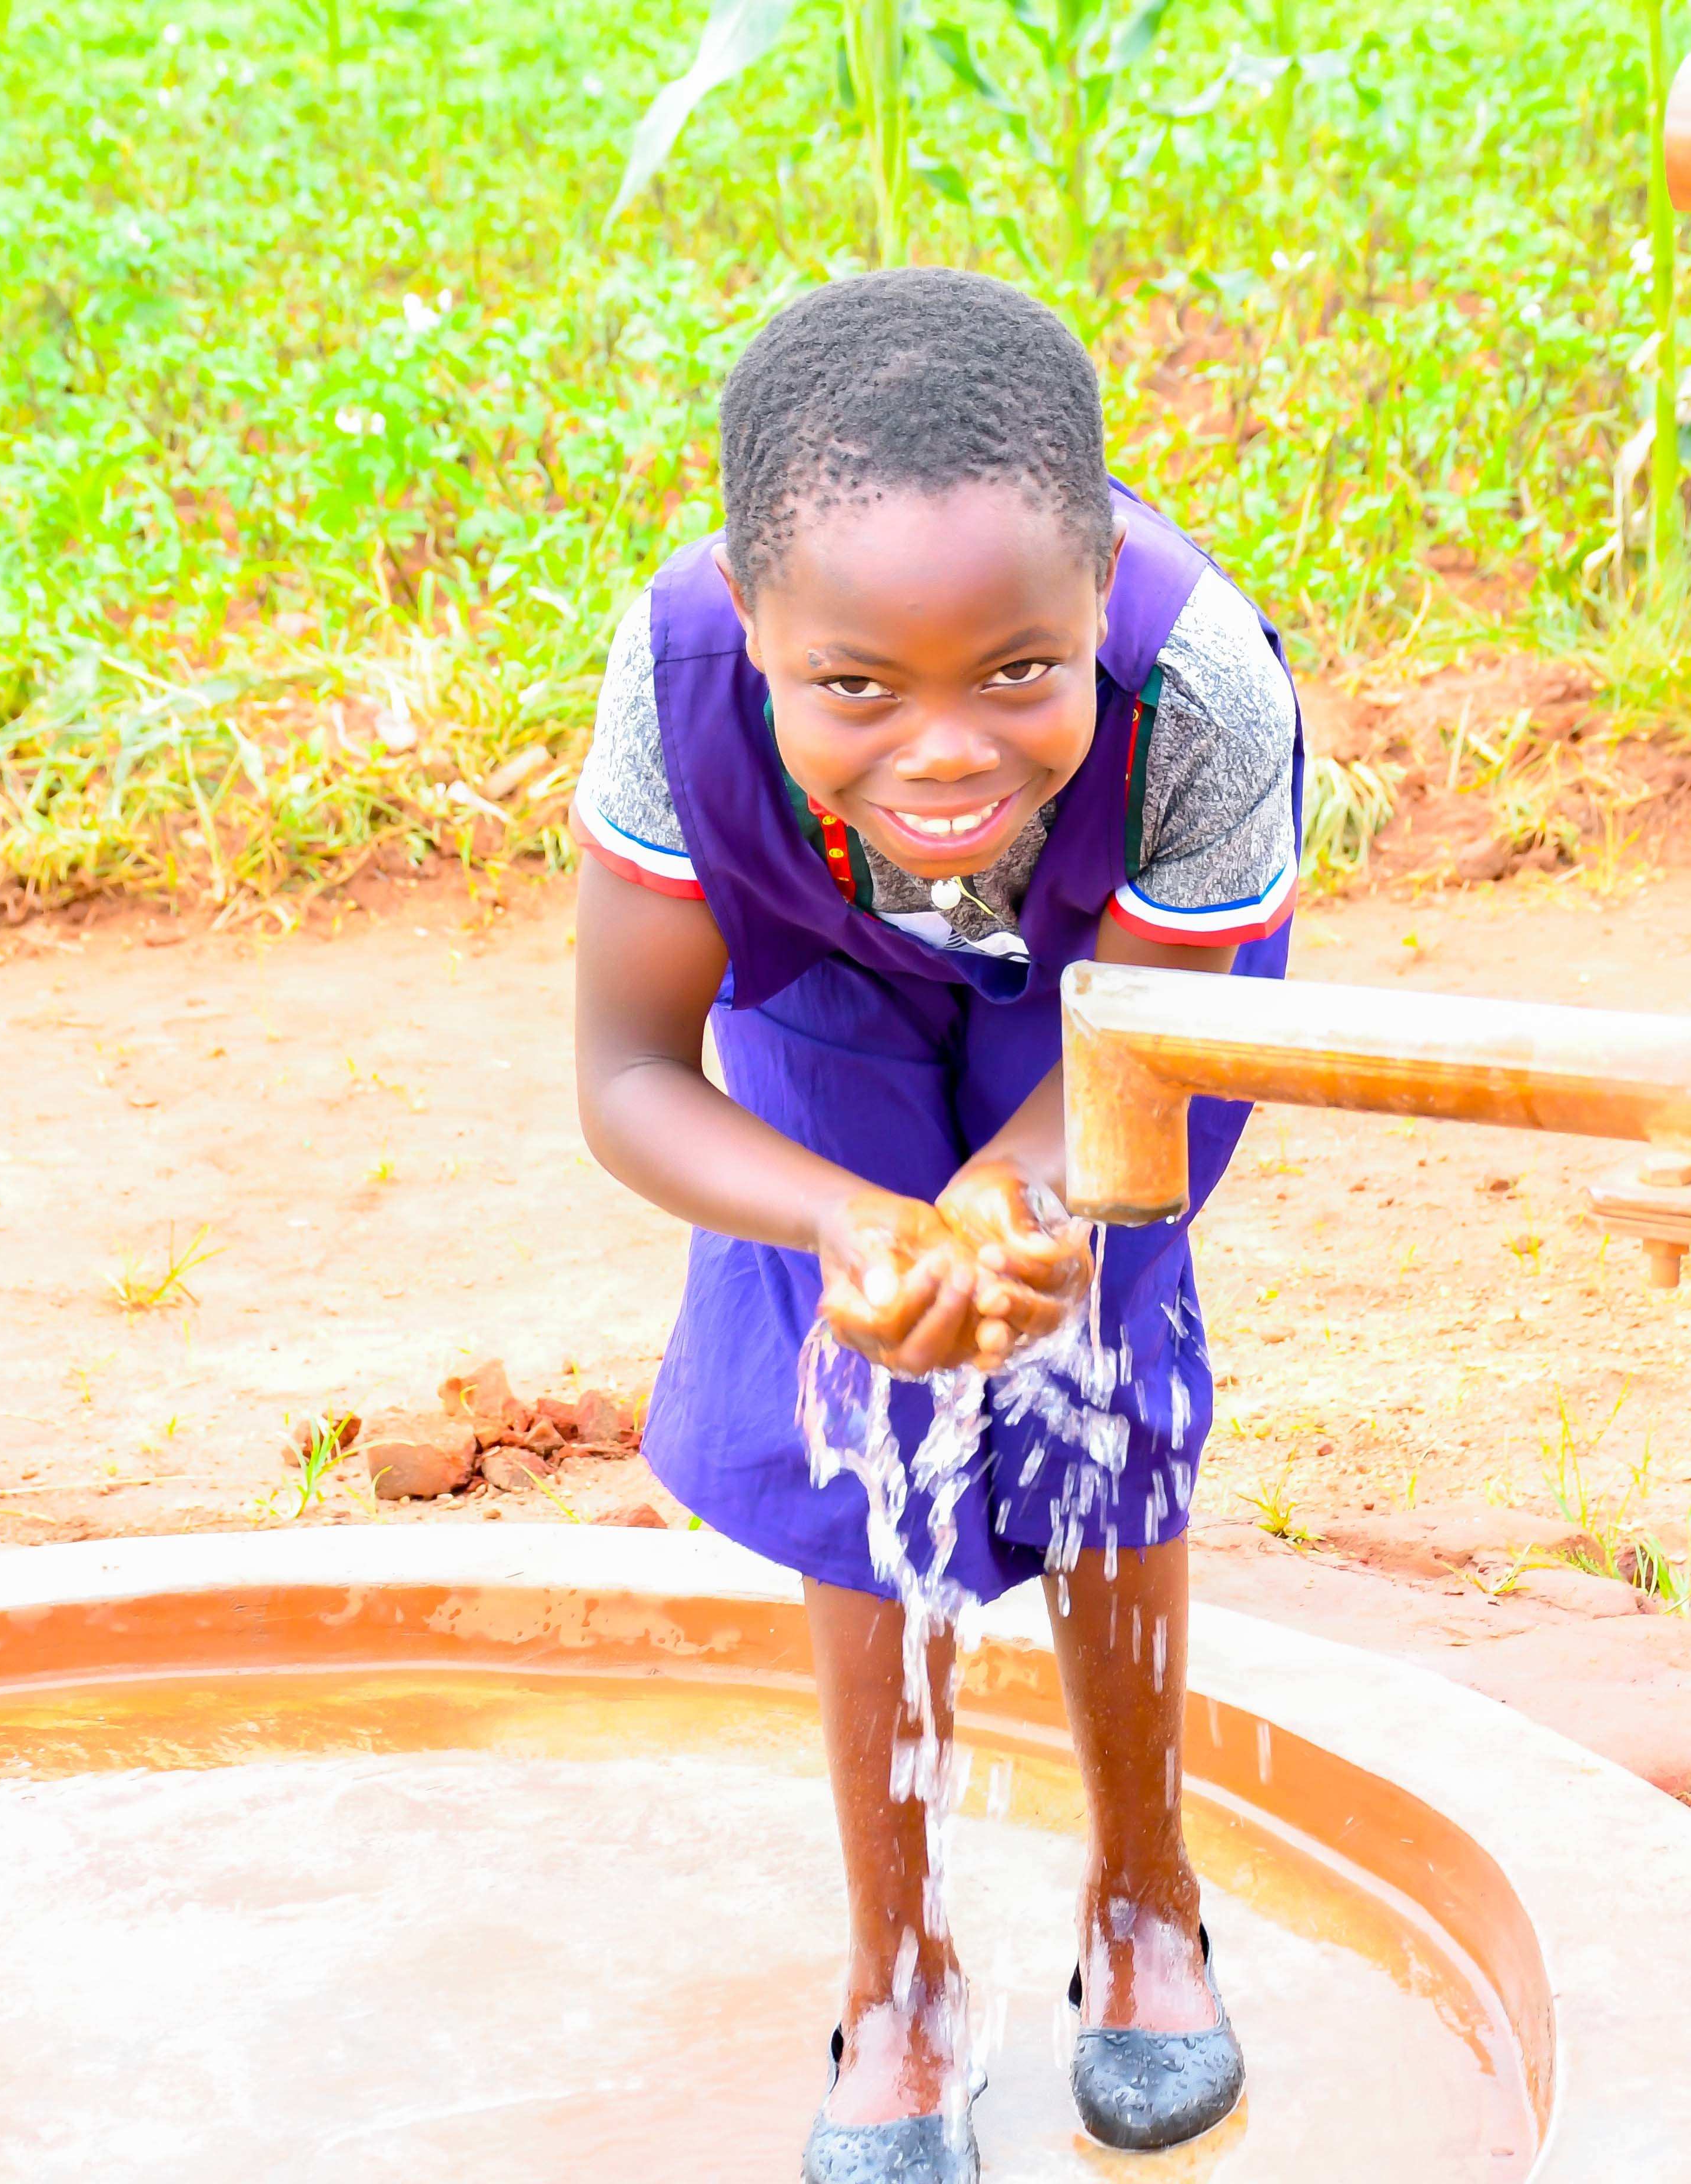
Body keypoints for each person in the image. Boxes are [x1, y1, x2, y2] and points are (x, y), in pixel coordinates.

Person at [568, 267, 1300, 2182]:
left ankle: (1144, 1901)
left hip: (1118, 988)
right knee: (862, 1411)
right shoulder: (677, 690)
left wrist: (1018, 1194)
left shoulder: (1202, 691)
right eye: (858, 688)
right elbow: (632, 1077)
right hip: (820, 990)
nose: (950, 753)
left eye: (1019, 672)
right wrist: (848, 1225)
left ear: (1095, 585)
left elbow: (1154, 1037)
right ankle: (900, 1975)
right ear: (755, 626)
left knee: (1100, 1368)